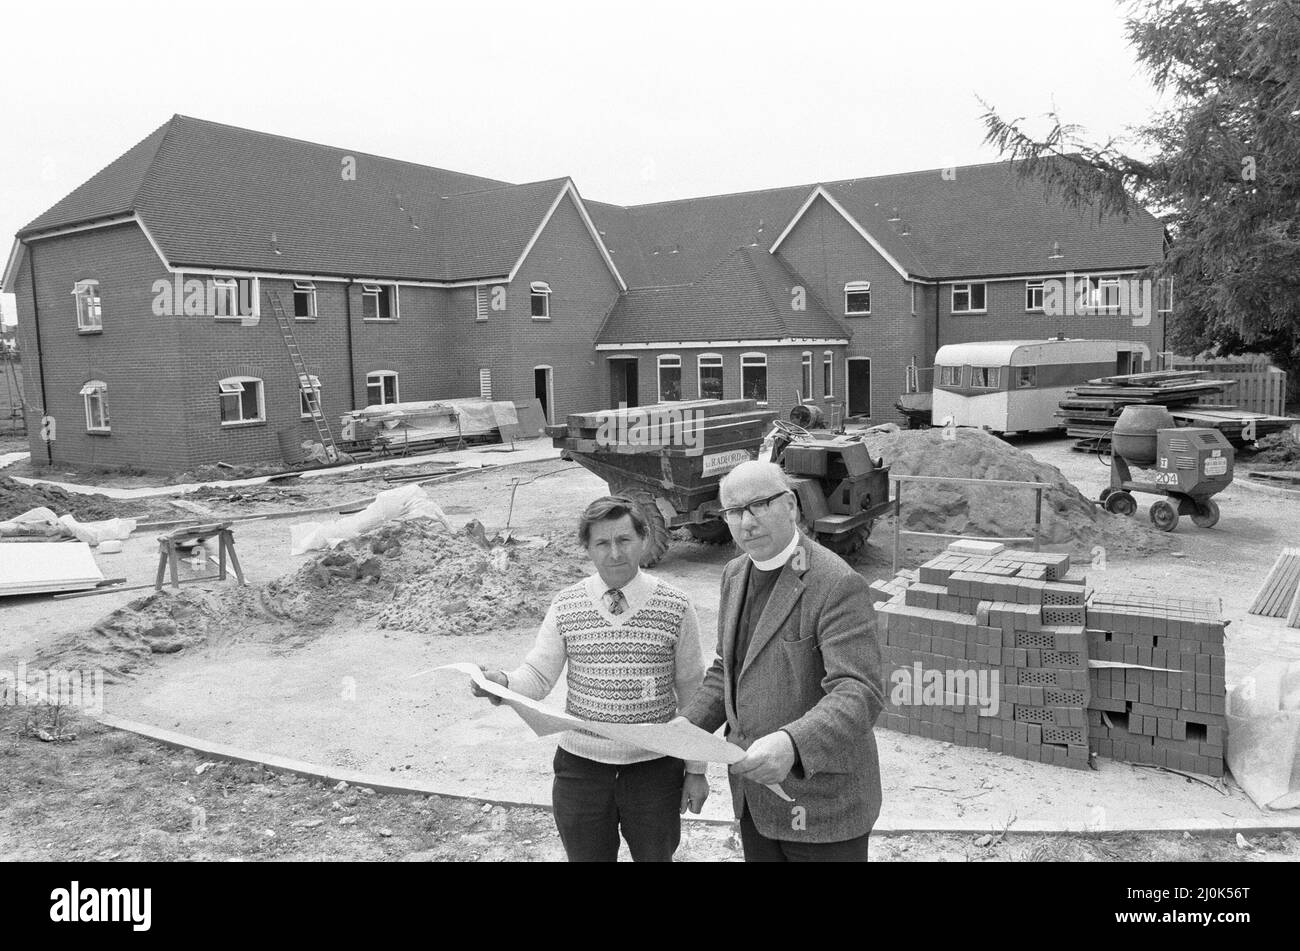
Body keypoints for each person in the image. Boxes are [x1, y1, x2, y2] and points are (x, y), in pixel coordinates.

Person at [471, 496, 710, 862]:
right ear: (587, 548)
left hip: (655, 771)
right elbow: (537, 675)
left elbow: (694, 690)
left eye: (623, 540)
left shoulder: (675, 605)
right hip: (581, 772)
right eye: (602, 542)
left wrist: (696, 770)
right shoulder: (567, 604)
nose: (614, 553)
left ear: (643, 540)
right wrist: (501, 683)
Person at [682, 460, 884, 861]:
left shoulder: (835, 582)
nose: (746, 522)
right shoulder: (734, 574)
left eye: (758, 506)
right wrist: (685, 729)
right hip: (756, 801)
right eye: (734, 512)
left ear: (790, 505)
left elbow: (859, 690)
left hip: (823, 805)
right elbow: (729, 669)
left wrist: (793, 743)